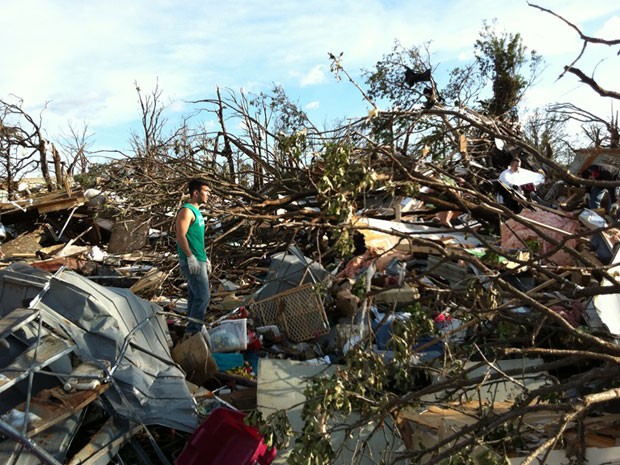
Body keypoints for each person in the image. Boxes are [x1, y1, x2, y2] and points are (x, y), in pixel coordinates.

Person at [176, 178, 212, 336]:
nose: (209, 195)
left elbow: (196, 239)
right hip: (192, 260)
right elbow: (180, 236)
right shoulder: (186, 211)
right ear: (196, 192)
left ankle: (189, 331)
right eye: (206, 191)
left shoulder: (197, 213)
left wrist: (205, 258)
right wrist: (191, 257)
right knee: (203, 296)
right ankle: (193, 331)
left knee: (194, 296)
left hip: (199, 258)